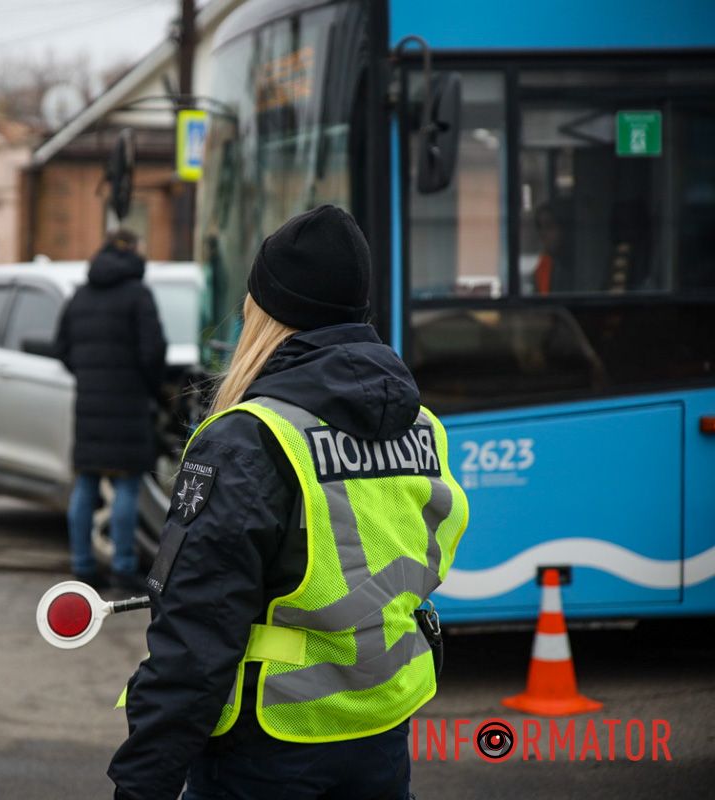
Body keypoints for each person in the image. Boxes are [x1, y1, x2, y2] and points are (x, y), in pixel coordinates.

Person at [108, 206, 469, 800]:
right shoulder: (421, 427)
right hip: (379, 735)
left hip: (268, 751)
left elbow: (195, 637)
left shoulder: (246, 438)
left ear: (267, 314)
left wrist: (142, 782)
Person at [54, 229, 167, 592]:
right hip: (129, 404)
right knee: (127, 486)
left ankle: (82, 566)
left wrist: (87, 375)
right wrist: (154, 388)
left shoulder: (80, 296)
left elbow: (62, 348)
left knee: (86, 484)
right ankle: (123, 568)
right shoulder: (138, 295)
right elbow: (153, 353)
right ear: (134, 253)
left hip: (89, 405)